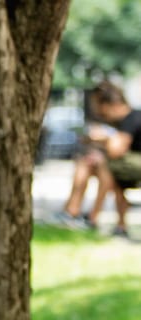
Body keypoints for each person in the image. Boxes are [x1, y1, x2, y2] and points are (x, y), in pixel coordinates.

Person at [56, 81, 141, 238]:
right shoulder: (123, 121)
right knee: (94, 164)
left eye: (99, 107)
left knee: (102, 165)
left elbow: (116, 150)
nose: (99, 112)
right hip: (129, 166)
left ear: (109, 105)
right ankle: (76, 213)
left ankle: (86, 215)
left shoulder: (132, 118)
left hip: (136, 165)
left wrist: (102, 138)